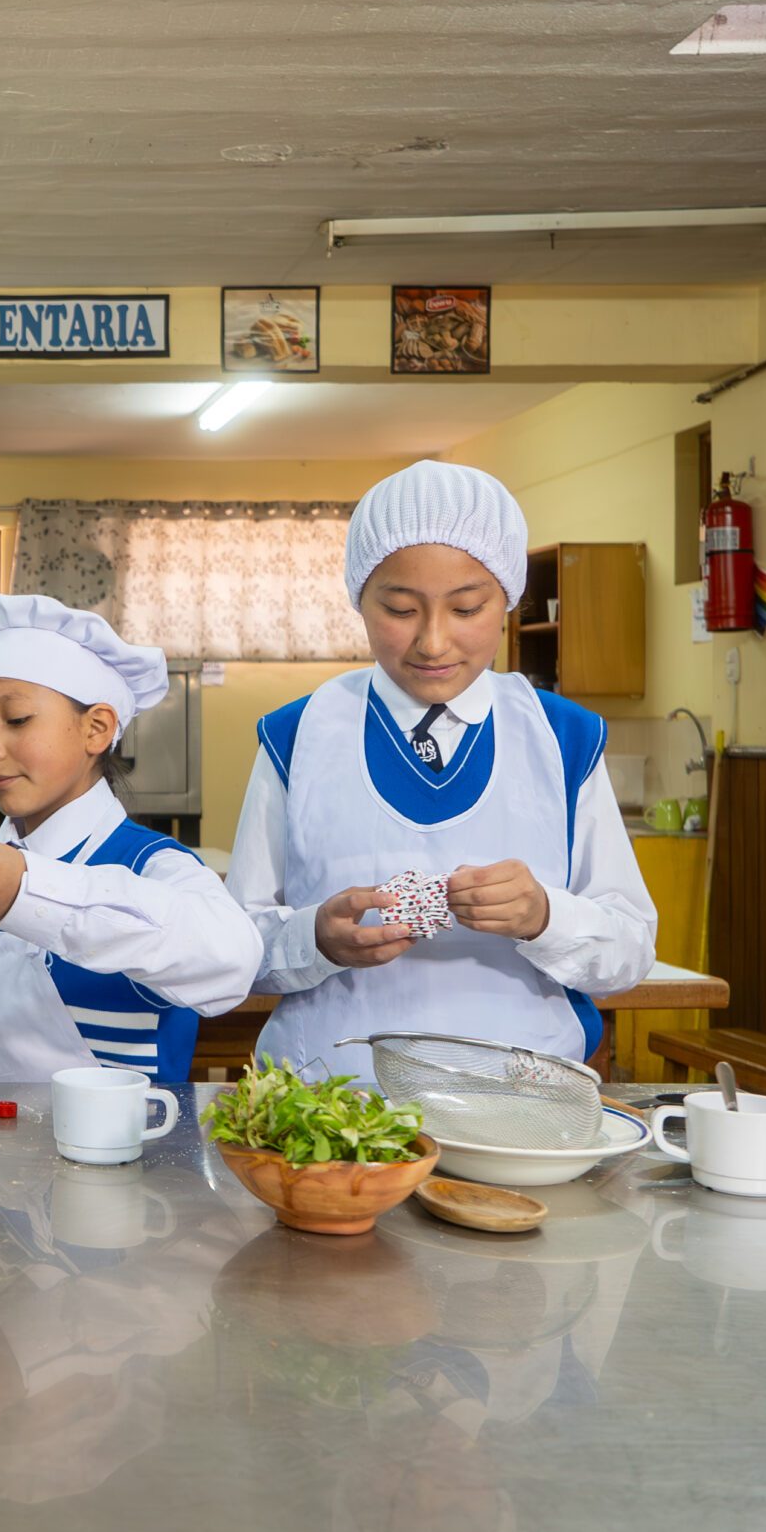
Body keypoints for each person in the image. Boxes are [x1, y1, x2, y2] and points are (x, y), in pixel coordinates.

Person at [225, 461, 656, 1085]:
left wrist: (544, 917)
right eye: (400, 609)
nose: (432, 642)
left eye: (467, 608)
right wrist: (314, 940)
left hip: (521, 1103)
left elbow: (630, 948)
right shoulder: (298, 736)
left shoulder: (562, 738)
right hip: (331, 1099)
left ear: (507, 601)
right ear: (359, 601)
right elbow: (236, 945)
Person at [0, 594, 260, 1086]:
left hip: (120, 1157)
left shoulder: (153, 867)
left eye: (17, 720)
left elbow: (231, 960)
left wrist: (27, 892)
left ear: (97, 729)